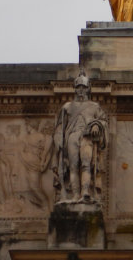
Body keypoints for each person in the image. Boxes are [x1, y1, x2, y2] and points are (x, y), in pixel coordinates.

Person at [52, 70, 108, 204]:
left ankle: (85, 192)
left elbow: (103, 121)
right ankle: (75, 195)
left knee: (86, 165)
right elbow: (60, 126)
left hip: (87, 137)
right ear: (75, 89)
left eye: (83, 87)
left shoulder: (95, 106)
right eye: (78, 88)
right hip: (72, 137)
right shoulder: (67, 107)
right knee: (73, 166)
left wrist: (97, 126)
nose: (81, 90)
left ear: (88, 89)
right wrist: (58, 138)